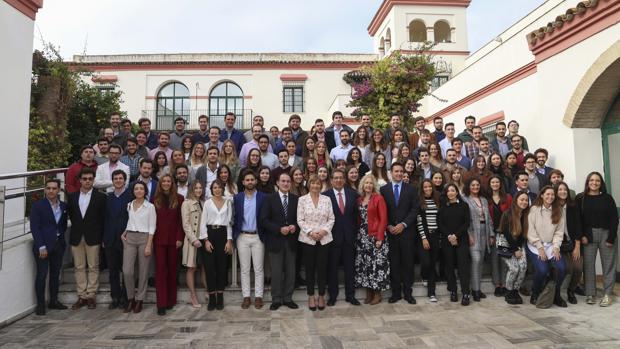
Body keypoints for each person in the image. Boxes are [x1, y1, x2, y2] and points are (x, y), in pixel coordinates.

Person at [66, 167, 107, 310]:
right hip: (77, 236)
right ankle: (81, 296)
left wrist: (103, 237)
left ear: (93, 180)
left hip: (94, 236)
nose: (87, 181)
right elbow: (71, 216)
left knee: (93, 266)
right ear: (80, 180)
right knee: (79, 267)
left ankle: (91, 295)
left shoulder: (101, 197)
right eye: (84, 179)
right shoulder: (71, 197)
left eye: (90, 179)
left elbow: (103, 219)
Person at [576, 172, 618, 307]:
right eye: (592, 180)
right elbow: (578, 220)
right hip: (588, 235)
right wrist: (582, 235)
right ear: (588, 182)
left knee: (608, 265)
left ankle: (607, 294)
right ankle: (590, 293)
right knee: (588, 265)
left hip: (606, 234)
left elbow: (614, 219)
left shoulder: (607, 198)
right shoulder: (580, 198)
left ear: (601, 183)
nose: (594, 183)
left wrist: (611, 237)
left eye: (597, 181)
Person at [380, 162, 420, 304]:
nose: (398, 173)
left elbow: (415, 209)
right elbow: (382, 211)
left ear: (404, 173)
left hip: (407, 232)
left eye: (401, 171)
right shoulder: (383, 190)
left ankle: (408, 293)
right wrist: (388, 225)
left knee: (408, 263)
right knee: (394, 263)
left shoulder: (411, 189)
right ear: (391, 172)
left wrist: (403, 224)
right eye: (396, 171)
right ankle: (396, 293)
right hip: (390, 233)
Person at [259, 172, 300, 310]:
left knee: (291, 271)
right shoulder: (269, 199)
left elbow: (300, 219)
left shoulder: (296, 199)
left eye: (288, 181)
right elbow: (264, 220)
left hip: (291, 241)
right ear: (277, 183)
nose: (286, 183)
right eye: (283, 181)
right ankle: (276, 299)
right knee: (276, 272)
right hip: (275, 240)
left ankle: (288, 298)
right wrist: (278, 229)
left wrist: (295, 225)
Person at [30, 179, 68, 315]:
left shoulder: (63, 206)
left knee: (55, 274)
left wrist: (61, 239)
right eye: (48, 188)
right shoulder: (38, 206)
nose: (51, 191)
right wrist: (41, 246)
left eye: (54, 188)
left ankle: (54, 301)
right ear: (45, 190)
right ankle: (40, 305)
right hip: (43, 247)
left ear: (58, 190)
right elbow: (35, 227)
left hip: (58, 245)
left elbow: (62, 225)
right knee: (42, 275)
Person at [298, 175, 335, 311]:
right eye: (312, 183)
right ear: (309, 185)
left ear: (321, 185)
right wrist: (311, 233)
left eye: (317, 183)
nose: (315, 186)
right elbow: (300, 220)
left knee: (322, 268)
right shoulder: (302, 200)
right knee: (309, 268)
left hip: (324, 239)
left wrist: (323, 232)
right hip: (308, 239)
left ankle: (321, 295)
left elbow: (331, 218)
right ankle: (311, 296)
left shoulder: (327, 199)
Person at [323, 170, 360, 306]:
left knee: (350, 268)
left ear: (344, 180)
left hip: (350, 238)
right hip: (332, 238)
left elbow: (357, 216)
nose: (338, 180)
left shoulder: (353, 195)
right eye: (336, 178)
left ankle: (351, 295)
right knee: (332, 268)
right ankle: (333, 296)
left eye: (341, 178)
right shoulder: (325, 196)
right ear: (331, 180)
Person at [526, 185, 567, 307]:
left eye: (552, 194)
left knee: (562, 268)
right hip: (535, 244)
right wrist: (539, 247)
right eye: (547, 194)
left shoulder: (559, 210)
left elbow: (559, 232)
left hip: (551, 245)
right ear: (542, 195)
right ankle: (535, 292)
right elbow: (530, 230)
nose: (550, 196)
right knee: (543, 270)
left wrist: (556, 247)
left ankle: (556, 294)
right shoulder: (534, 209)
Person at [233, 170, 267, 309]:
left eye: (252, 179)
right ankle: (246, 297)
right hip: (242, 236)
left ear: (256, 181)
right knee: (245, 269)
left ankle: (258, 296)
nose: (250, 182)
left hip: (258, 236)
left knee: (259, 269)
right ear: (243, 182)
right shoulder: (237, 198)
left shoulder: (263, 197)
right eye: (247, 180)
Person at [121, 181, 156, 314]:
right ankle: (131, 299)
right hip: (129, 238)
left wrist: (148, 244)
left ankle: (140, 299)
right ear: (133, 191)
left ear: (145, 191)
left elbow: (152, 226)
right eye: (136, 188)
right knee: (127, 270)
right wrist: (124, 231)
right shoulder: (129, 205)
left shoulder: (150, 207)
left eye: (142, 189)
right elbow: (131, 221)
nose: (139, 191)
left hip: (144, 238)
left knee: (143, 271)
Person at [354, 174, 389, 305]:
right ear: (362, 185)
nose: (368, 185)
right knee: (366, 266)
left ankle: (377, 294)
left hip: (375, 236)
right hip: (362, 237)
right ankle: (369, 292)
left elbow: (383, 219)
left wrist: (380, 238)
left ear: (374, 185)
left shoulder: (378, 198)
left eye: (370, 183)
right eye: (366, 183)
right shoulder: (359, 200)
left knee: (377, 266)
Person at [200, 180, 234, 311]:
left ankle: (220, 297)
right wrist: (206, 240)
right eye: (215, 187)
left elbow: (229, 222)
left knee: (221, 268)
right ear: (211, 189)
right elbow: (203, 223)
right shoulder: (207, 203)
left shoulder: (228, 202)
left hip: (223, 234)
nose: (217, 189)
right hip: (210, 234)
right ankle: (212, 297)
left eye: (219, 187)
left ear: (223, 188)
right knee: (209, 268)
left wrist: (229, 240)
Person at [153, 174, 184, 315]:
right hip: (159, 240)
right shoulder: (154, 200)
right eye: (163, 181)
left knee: (172, 271)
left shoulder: (179, 199)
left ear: (172, 183)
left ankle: (171, 300)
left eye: (168, 181)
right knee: (160, 272)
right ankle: (161, 303)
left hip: (173, 240)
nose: (166, 183)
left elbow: (180, 221)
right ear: (160, 183)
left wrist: (179, 238)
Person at [438, 184, 472, 305]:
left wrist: (456, 236)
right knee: (449, 266)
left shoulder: (464, 206)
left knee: (463, 267)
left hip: (461, 240)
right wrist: (449, 236)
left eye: (453, 190)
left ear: (457, 192)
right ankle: (453, 291)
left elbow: (466, 223)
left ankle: (466, 293)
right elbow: (440, 224)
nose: (451, 193)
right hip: (447, 240)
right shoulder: (442, 207)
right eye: (448, 191)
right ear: (446, 193)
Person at [103, 170, 131, 310]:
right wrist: (104, 237)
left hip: (125, 239)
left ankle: (126, 297)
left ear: (125, 180)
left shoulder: (130, 196)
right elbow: (104, 220)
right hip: (110, 239)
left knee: (126, 270)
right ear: (112, 181)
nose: (118, 180)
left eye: (121, 178)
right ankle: (115, 297)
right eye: (116, 178)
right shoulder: (107, 198)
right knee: (113, 270)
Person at [462, 177, 493, 302]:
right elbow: (464, 219)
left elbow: (489, 218)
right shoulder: (464, 199)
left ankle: (478, 289)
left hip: (484, 231)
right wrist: (468, 234)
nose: (475, 187)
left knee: (480, 263)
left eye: (477, 185)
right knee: (476, 259)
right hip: (472, 232)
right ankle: (474, 290)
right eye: (473, 185)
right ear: (468, 186)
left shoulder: (484, 200)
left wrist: (491, 235)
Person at [499, 190, 530, 304]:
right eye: (521, 199)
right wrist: (515, 249)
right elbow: (506, 233)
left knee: (523, 267)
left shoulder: (526, 215)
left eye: (526, 200)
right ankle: (509, 291)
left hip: (519, 245)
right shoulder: (508, 214)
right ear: (516, 200)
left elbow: (523, 235)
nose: (524, 202)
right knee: (514, 268)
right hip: (507, 245)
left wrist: (519, 248)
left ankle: (516, 291)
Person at [554, 181, 582, 305]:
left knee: (578, 267)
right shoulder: (552, 207)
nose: (563, 192)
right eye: (560, 189)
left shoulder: (573, 206)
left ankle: (571, 291)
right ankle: (557, 293)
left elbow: (578, 226)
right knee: (567, 268)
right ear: (555, 191)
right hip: (558, 244)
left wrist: (577, 246)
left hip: (573, 242)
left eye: (565, 189)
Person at [181, 181, 205, 309]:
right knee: (191, 268)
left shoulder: (204, 202)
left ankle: (208, 291)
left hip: (203, 239)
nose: (198, 190)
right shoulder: (186, 203)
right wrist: (193, 239)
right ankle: (193, 295)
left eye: (200, 187)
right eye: (196, 188)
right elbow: (186, 224)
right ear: (192, 189)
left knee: (204, 267)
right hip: (192, 241)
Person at [416, 179, 441, 302]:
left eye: (429, 187)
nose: (428, 189)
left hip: (435, 236)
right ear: (422, 189)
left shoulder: (437, 200)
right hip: (424, 237)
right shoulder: (419, 202)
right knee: (426, 262)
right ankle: (423, 275)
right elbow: (419, 221)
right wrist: (424, 238)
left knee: (432, 264)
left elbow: (440, 219)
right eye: (425, 187)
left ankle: (432, 293)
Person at [487, 175, 512, 297]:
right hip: (492, 232)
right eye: (493, 182)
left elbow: (511, 215)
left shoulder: (507, 197)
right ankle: (497, 285)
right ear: (490, 184)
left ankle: (504, 284)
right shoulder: (487, 199)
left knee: (504, 258)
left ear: (500, 184)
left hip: (505, 232)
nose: (495, 184)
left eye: (497, 182)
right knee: (494, 259)